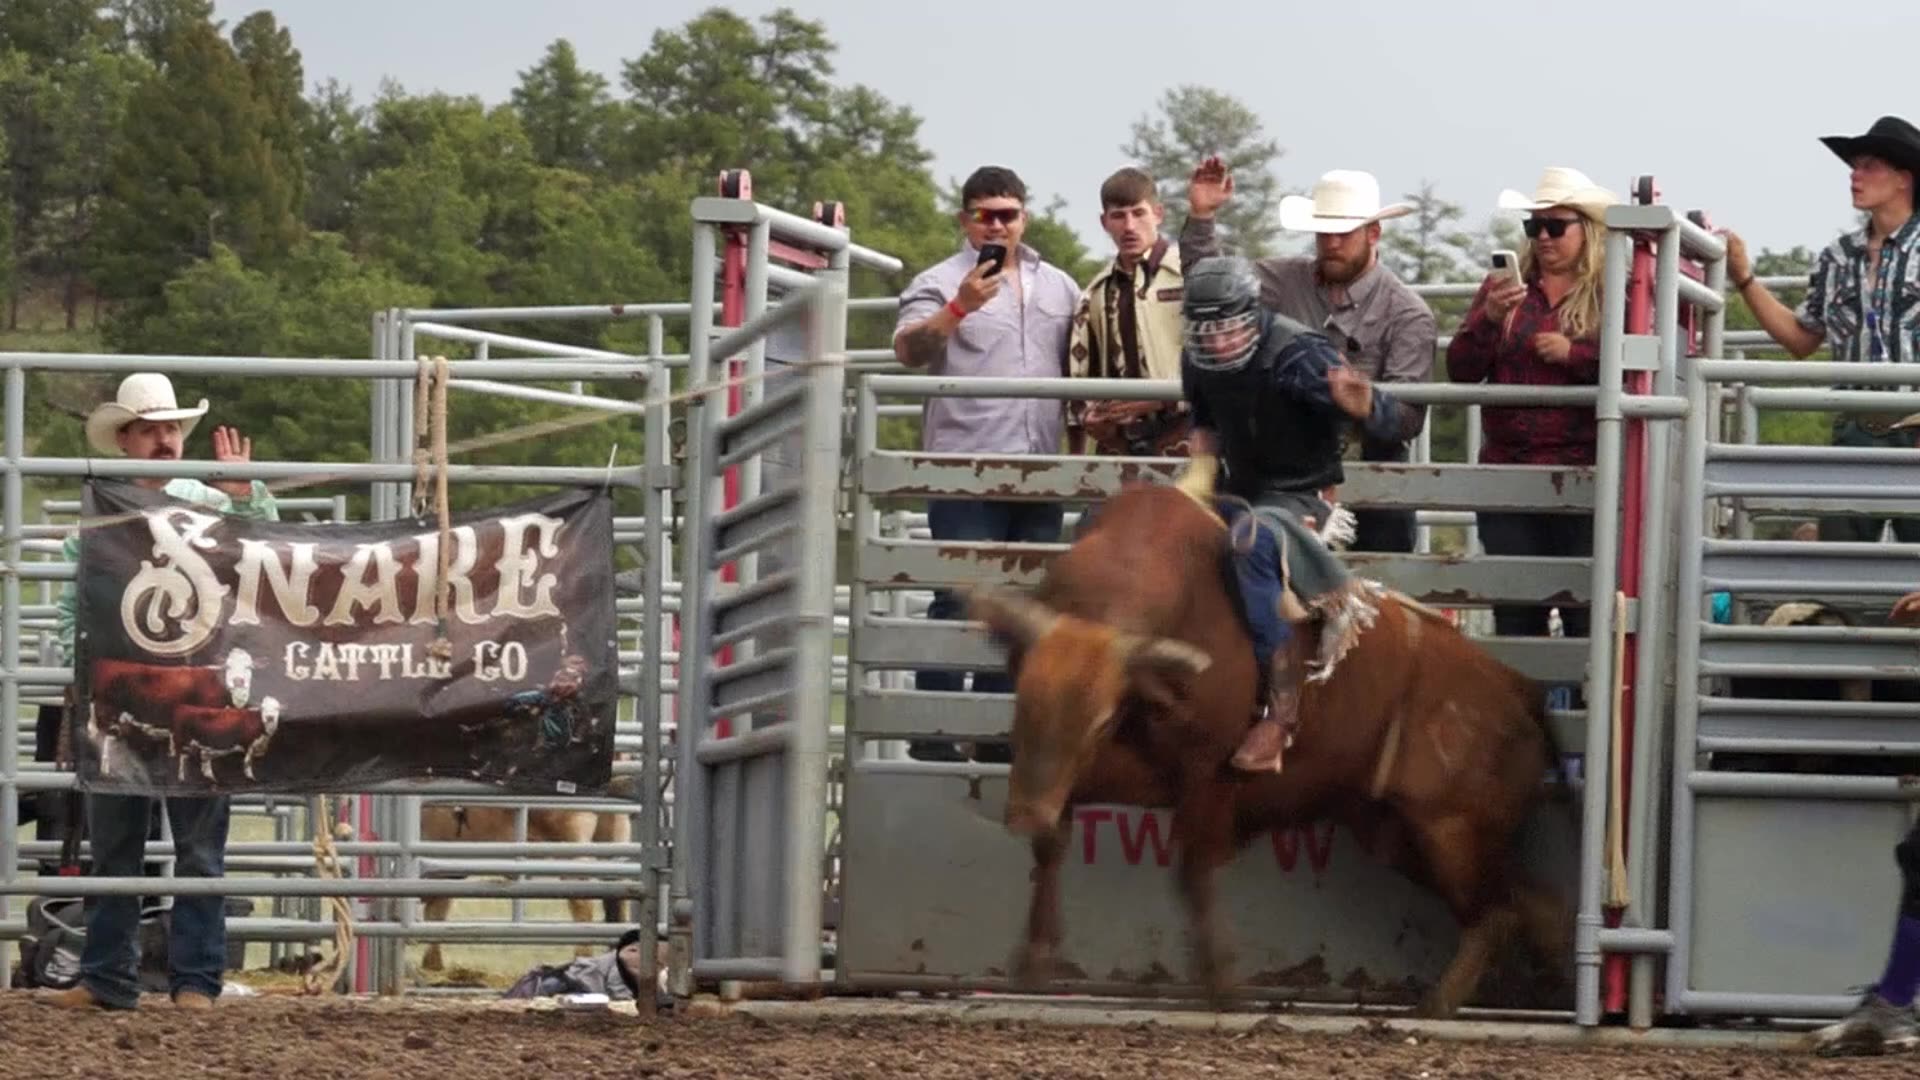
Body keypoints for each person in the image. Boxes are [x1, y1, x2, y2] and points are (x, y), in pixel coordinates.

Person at [45, 373, 277, 1011]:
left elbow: (273, 552)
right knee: (116, 844)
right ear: (126, 439)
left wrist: (244, 495)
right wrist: (86, 663)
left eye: (171, 428)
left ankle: (193, 981)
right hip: (125, 700)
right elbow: (73, 612)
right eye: (151, 429)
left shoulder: (212, 499)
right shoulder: (100, 513)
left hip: (197, 692)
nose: (165, 439)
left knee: (199, 848)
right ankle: (107, 977)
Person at [1179, 254, 1403, 774]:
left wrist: (1367, 405)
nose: (1216, 342)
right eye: (1204, 331)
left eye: (1227, 329)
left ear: (1252, 316)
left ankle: (1280, 715)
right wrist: (1196, 475)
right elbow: (1205, 420)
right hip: (1239, 489)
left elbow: (1391, 422)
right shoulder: (1199, 359)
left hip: (1304, 495)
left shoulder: (1296, 354)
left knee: (1250, 541)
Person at [892, 166, 1081, 762]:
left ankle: (1002, 736)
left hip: (1040, 469)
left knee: (1025, 603)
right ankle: (938, 736)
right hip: (964, 467)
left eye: (1009, 214)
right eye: (986, 214)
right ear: (965, 218)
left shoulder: (1060, 286)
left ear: (1025, 216)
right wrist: (958, 308)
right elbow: (908, 351)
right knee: (960, 596)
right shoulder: (939, 280)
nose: (998, 225)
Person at [1181, 159, 1437, 553]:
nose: (1331, 243)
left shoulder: (1408, 313)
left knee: (1377, 591)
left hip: (1370, 479)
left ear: (1373, 233)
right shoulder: (1284, 278)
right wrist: (1202, 218)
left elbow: (1408, 419)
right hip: (1286, 476)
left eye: (1343, 232)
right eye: (1323, 232)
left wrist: (1368, 406)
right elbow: (1215, 287)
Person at [1721, 115, 1920, 545]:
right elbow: (1801, 338)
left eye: (1869, 166)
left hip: (1918, 427)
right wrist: (1745, 278)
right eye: (1855, 165)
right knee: (1841, 560)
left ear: (1903, 178)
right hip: (1855, 429)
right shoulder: (1837, 256)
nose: (1855, 174)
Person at [1446, 166, 1619, 649]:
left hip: (1584, 475)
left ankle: (1587, 717)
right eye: (1533, 227)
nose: (1543, 237)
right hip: (1510, 474)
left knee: (1585, 616)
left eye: (1555, 226)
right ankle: (1531, 718)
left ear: (1587, 230)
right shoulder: (1502, 290)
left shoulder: (1614, 290)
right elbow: (1460, 368)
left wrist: (1576, 355)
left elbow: (1635, 367)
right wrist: (1489, 319)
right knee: (1517, 615)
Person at [1066, 166, 1193, 458]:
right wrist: (1093, 418)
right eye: (1118, 216)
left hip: (1189, 435)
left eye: (1139, 213)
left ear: (1158, 214)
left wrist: (1160, 399)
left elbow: (1222, 365)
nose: (1129, 226)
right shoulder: (1094, 293)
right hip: (1120, 445)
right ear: (1104, 222)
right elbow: (1081, 377)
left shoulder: (1190, 277)